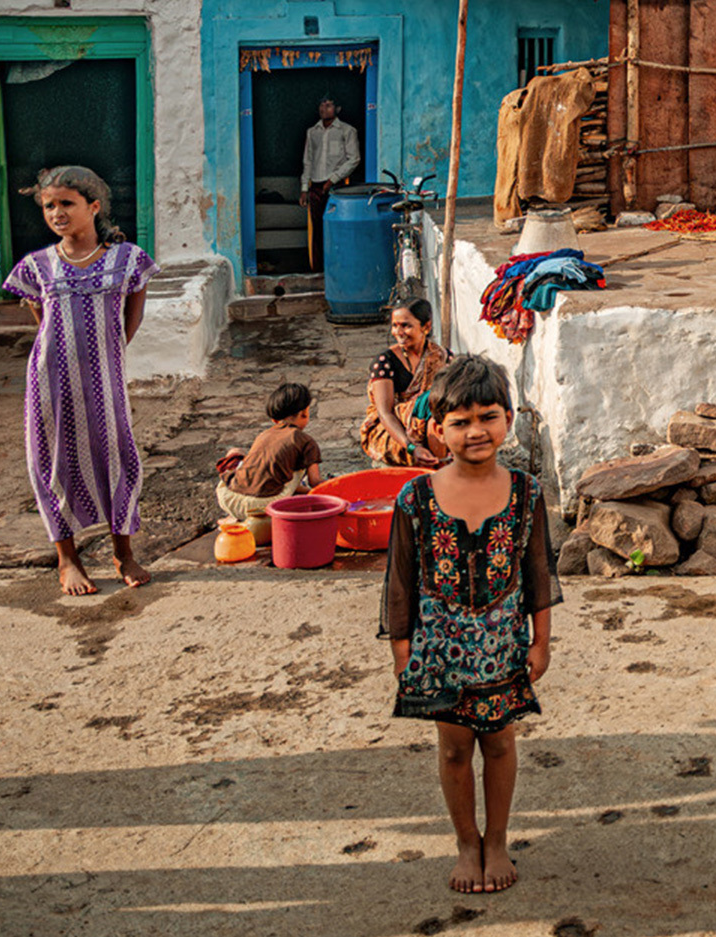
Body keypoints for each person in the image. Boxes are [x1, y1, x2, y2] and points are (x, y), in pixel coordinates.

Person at [380, 355, 559, 894]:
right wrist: (402, 651)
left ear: (509, 419)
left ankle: (497, 840)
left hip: (503, 647)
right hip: (437, 649)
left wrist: (542, 640)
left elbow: (538, 571)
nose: (475, 431)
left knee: (501, 745)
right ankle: (465, 843)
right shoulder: (416, 498)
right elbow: (400, 582)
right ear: (438, 430)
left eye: (488, 416)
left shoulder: (527, 493)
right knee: (455, 748)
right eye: (459, 422)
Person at [1, 166, 159, 596]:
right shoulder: (36, 266)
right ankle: (67, 558)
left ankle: (123, 553)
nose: (57, 213)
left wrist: (109, 351)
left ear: (93, 207)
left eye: (66, 203)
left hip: (106, 382)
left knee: (116, 456)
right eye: (49, 206)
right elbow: (43, 323)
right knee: (52, 462)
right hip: (49, 385)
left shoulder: (128, 259)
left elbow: (134, 311)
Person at [214, 383, 323, 543]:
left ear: (274, 419)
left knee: (237, 453)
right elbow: (315, 482)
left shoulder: (264, 434)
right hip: (263, 505)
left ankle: (234, 517)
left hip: (227, 496)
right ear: (304, 413)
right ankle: (247, 518)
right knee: (297, 466)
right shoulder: (306, 441)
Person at [360, 298, 451, 467]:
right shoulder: (384, 362)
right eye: (395, 325)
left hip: (431, 423)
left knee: (438, 418)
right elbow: (385, 413)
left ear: (426, 326)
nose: (398, 332)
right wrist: (411, 447)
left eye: (406, 326)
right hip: (393, 429)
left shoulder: (442, 357)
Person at [299, 96, 361, 270]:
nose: (324, 108)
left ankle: (340, 268)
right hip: (316, 187)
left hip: (337, 188)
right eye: (321, 105)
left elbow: (354, 159)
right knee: (318, 231)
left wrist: (333, 179)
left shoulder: (347, 131)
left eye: (328, 105)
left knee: (337, 229)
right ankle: (319, 270)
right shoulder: (312, 132)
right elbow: (308, 161)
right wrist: (305, 188)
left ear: (337, 109)